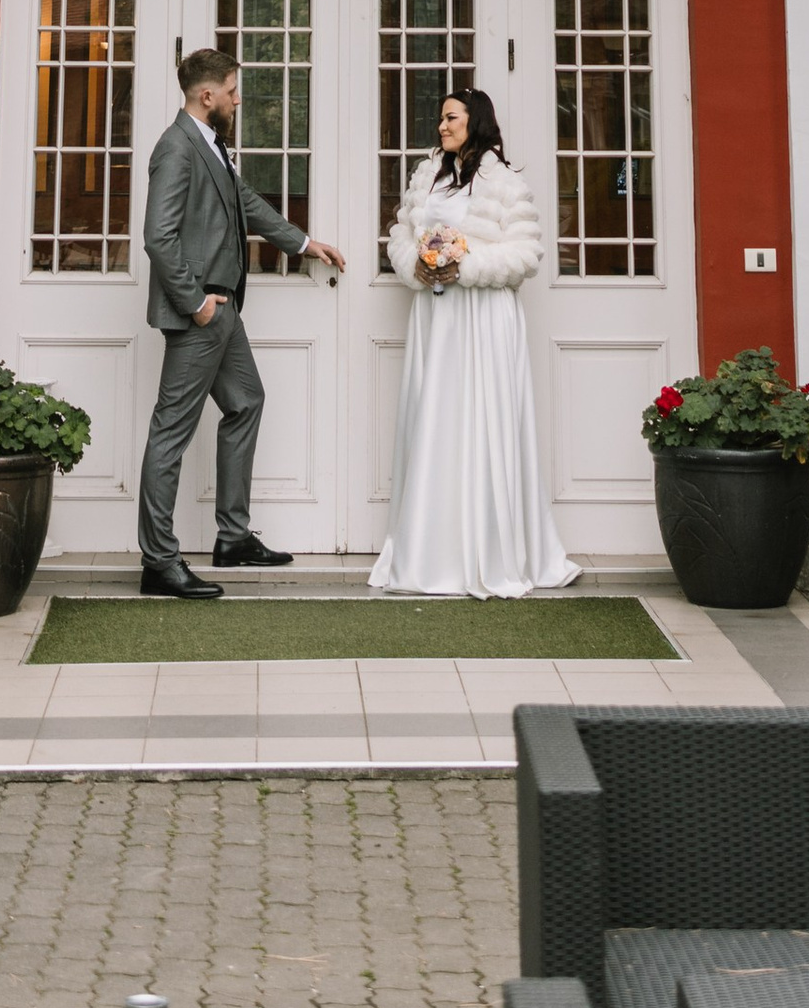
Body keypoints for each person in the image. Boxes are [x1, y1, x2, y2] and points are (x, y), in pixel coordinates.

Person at [138, 45, 346, 597]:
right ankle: (159, 562)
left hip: (224, 312)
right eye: (232, 91)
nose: (238, 99)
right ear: (208, 95)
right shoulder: (176, 148)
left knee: (246, 401)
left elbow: (245, 202)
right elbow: (157, 236)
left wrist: (304, 243)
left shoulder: (212, 145)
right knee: (170, 435)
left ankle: (232, 537)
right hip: (201, 314)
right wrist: (196, 302)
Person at [369, 88, 576, 598]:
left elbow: (526, 254)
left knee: (484, 422)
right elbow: (400, 234)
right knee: (435, 419)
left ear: (475, 120)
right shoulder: (426, 175)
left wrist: (469, 266)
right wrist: (413, 265)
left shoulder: (504, 182)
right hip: (436, 316)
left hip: (483, 317)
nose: (441, 126)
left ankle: (492, 550)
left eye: (451, 117)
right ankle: (429, 550)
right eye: (440, 118)